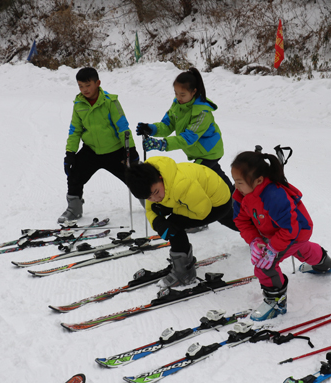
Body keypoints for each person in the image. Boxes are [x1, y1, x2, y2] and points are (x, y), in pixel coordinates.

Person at [231, 151, 331, 321]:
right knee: (301, 250)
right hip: (276, 231)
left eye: (240, 182)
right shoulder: (240, 196)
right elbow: (242, 221)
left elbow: (289, 229)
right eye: (234, 181)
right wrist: (254, 240)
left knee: (264, 265)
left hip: (296, 231)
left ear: (258, 180)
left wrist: (273, 248)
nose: (236, 187)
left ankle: (276, 303)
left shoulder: (274, 196)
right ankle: (325, 264)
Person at [126, 156, 237, 287]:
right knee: (236, 222)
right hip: (197, 198)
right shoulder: (151, 180)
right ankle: (258, 232)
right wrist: (157, 222)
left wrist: (171, 215)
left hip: (217, 204)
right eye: (149, 197)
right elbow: (151, 210)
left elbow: (202, 211)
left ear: (160, 178)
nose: (155, 198)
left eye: (156, 192)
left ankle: (185, 273)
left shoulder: (180, 184)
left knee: (173, 224)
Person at [58, 67, 138, 223]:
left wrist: (131, 150)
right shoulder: (79, 104)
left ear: (98, 83)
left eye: (88, 86)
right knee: (74, 176)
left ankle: (151, 203)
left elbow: (122, 127)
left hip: (115, 151)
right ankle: (74, 208)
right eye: (81, 86)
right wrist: (70, 153)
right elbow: (75, 130)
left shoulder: (110, 102)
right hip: (91, 151)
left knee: (136, 176)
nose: (85, 90)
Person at [135, 67, 233, 192]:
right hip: (197, 151)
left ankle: (221, 200)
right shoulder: (177, 104)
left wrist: (161, 144)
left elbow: (188, 138)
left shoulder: (202, 112)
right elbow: (167, 125)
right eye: (176, 93)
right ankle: (234, 195)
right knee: (215, 173)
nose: (178, 97)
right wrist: (152, 129)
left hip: (209, 152)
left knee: (195, 177)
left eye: (182, 94)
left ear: (194, 92)